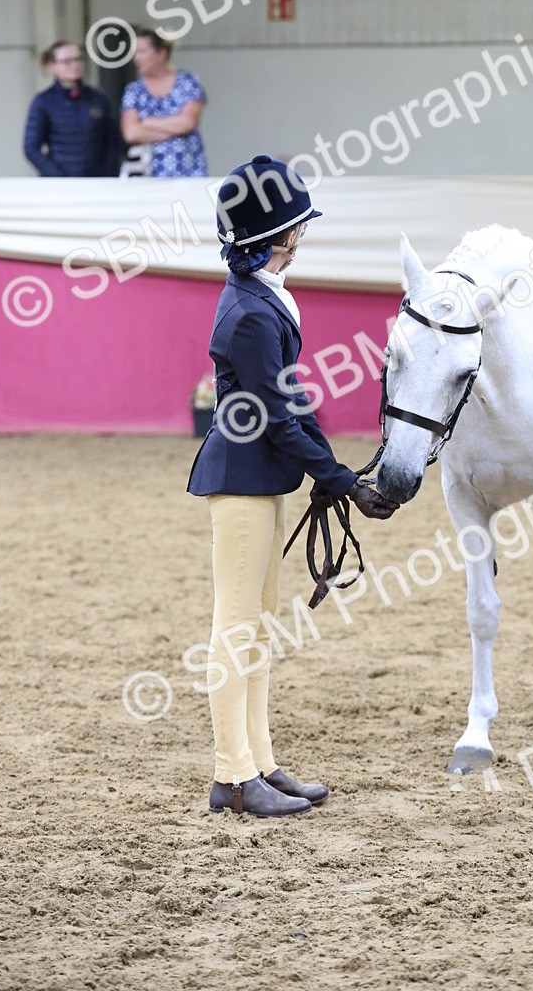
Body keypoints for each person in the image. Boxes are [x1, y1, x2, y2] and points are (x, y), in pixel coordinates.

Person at [187, 154, 399, 819]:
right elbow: (275, 418)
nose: (301, 235)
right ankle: (230, 774)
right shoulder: (251, 313)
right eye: (297, 227)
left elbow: (290, 397)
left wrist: (338, 471)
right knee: (236, 627)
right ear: (281, 237)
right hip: (242, 479)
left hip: (260, 480)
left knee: (259, 626)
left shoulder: (261, 297)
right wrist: (338, 481)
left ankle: (259, 764)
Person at [23, 41, 120, 177]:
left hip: (98, 181)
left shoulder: (98, 98)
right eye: (67, 61)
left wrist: (108, 173)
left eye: (78, 59)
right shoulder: (43, 101)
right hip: (61, 183)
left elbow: (112, 141)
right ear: (52, 66)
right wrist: (56, 176)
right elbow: (31, 148)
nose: (74, 65)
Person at [120, 29, 207, 177]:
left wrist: (148, 122)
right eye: (135, 53)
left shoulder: (188, 82)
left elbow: (187, 123)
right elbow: (131, 133)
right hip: (146, 173)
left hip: (187, 170)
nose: (136, 58)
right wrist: (174, 129)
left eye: (142, 52)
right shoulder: (134, 90)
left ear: (162, 53)